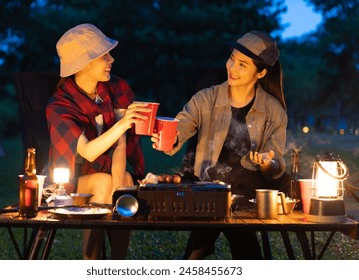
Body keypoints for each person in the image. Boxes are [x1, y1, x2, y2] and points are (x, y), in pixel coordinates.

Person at [151, 30, 290, 259]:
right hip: (207, 184)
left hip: (250, 189)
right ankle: (215, 251)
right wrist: (169, 138)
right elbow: (183, 123)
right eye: (232, 58)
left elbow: (277, 164)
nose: (232, 68)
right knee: (222, 199)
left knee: (232, 190)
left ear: (261, 72)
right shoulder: (206, 98)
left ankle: (199, 250)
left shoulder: (273, 111)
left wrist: (268, 163)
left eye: (243, 64)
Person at [46, 23, 150, 259]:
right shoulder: (59, 105)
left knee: (124, 180)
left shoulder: (116, 87)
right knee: (104, 182)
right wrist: (123, 123)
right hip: (71, 182)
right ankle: (91, 263)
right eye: (104, 55)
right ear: (84, 64)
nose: (111, 59)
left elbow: (120, 144)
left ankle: (117, 263)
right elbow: (88, 152)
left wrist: (118, 186)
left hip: (109, 170)